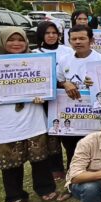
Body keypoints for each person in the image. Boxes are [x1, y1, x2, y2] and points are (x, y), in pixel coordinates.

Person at [0, 28, 58, 202]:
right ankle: (14, 195)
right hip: (5, 117)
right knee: (10, 161)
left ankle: (45, 187)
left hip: (32, 113)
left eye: (20, 40)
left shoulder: (36, 62)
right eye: (11, 40)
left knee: (40, 157)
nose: (16, 43)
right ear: (2, 42)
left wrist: (44, 95)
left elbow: (47, 84)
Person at [56, 25, 101, 178]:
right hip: (72, 115)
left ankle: (98, 177)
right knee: (72, 150)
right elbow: (58, 80)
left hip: (94, 115)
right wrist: (65, 84)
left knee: (96, 149)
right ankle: (74, 178)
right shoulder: (64, 60)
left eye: (82, 38)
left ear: (91, 40)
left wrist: (97, 83)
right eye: (74, 39)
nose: (78, 42)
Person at [33, 20, 74, 180]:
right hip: (46, 99)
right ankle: (56, 168)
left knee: (69, 133)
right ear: (41, 35)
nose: (51, 36)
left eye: (54, 33)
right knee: (51, 134)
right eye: (47, 33)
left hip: (66, 97)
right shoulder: (34, 53)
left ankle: (73, 166)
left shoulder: (67, 50)